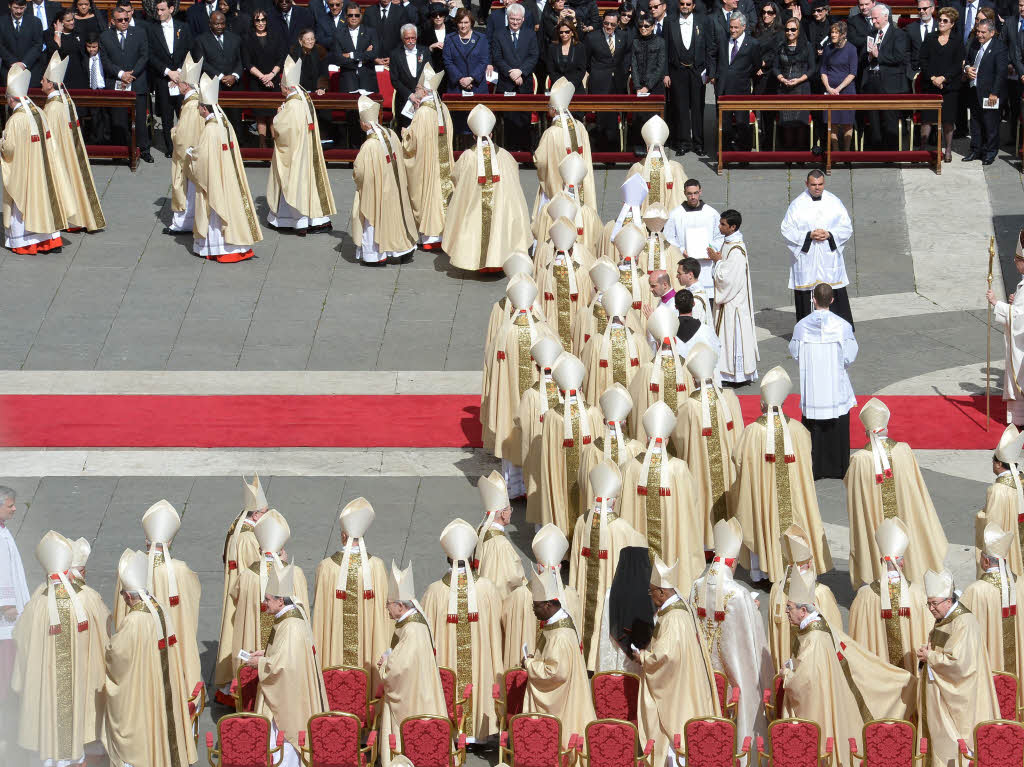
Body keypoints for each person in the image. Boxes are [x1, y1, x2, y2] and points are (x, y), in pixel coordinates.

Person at [782, 567, 915, 765]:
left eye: (789, 607)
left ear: (803, 611)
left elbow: (805, 680)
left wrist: (788, 673)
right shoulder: (816, 624)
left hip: (818, 703)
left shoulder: (815, 638)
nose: (786, 611)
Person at [734, 367, 832, 583]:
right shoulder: (798, 429)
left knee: (762, 521)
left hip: (764, 496)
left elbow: (738, 460)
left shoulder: (753, 432)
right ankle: (797, 568)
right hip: (794, 494)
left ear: (762, 404)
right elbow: (807, 461)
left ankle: (762, 572)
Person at [11, 532, 101, 767]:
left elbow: (20, 637)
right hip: (75, 682)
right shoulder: (83, 602)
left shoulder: (36, 602)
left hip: (43, 684)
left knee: (46, 739)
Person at [109, 500, 202, 726]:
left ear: (146, 541)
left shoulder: (130, 570)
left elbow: (121, 614)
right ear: (169, 542)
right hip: (174, 644)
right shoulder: (182, 571)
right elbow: (191, 609)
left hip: (141, 647)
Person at [103, 549, 192, 767]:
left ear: (129, 596)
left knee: (142, 724)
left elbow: (118, 656)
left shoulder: (134, 621)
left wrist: (107, 648)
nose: (123, 599)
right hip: (163, 684)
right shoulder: (160, 608)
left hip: (142, 687)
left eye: (124, 595)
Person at [845, 398, 948, 588]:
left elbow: (853, 494)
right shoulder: (904, 450)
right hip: (906, 517)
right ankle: (913, 577)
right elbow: (917, 488)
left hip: (876, 522)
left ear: (866, 432)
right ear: (886, 427)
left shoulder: (859, 460)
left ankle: (880, 583)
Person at [690, 519, 773, 744]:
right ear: (734, 563)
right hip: (734, 670)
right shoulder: (738, 594)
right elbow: (752, 642)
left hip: (704, 667)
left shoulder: (696, 586)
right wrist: (753, 612)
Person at [421, 519, 503, 743]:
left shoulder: (435, 591)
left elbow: (426, 634)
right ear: (470, 557)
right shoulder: (486, 588)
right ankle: (478, 733)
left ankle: (454, 732)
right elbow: (498, 628)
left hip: (448, 661)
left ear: (447, 556)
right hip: (481, 658)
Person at [635, 555, 720, 767]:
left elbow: (665, 657)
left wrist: (643, 657)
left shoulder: (673, 618)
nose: (650, 595)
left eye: (652, 591)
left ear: (663, 592)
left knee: (675, 746)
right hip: (686, 683)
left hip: (676, 692)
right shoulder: (683, 607)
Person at [244, 563, 327, 767]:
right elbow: (287, 654)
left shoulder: (290, 625)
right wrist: (266, 653)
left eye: (268, 599)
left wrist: (260, 663)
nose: (264, 603)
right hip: (293, 689)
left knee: (282, 745)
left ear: (281, 601)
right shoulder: (293, 613)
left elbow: (282, 667)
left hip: (287, 699)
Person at [568, 460, 645, 671]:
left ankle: (583, 655)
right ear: (612, 501)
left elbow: (574, 564)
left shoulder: (581, 522)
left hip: (584, 596)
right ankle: (598, 660)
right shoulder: (621, 529)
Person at [919, 569, 999, 767]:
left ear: (948, 600)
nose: (930, 608)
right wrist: (928, 651)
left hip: (961, 696)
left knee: (956, 744)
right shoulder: (945, 618)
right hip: (940, 692)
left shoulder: (964, 622)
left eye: (934, 603)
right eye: (928, 603)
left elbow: (961, 663)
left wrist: (930, 656)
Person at [620, 401, 706, 587]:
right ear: (667, 440)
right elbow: (691, 506)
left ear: (647, 438)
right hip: (670, 541)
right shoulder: (679, 469)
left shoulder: (630, 468)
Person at [442, 104, 531, 271]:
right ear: (491, 134)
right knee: (501, 221)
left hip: (474, 206)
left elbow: (455, 177)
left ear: (474, 137)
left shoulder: (467, 157)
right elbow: (514, 176)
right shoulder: (505, 155)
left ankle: (476, 261)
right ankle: (500, 260)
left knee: (470, 218)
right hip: (502, 206)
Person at [185, 74, 263, 262]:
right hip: (228, 175)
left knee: (215, 211)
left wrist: (191, 154)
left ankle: (219, 248)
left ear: (205, 108)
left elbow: (202, 159)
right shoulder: (224, 122)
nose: (198, 110)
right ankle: (234, 245)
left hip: (215, 179)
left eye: (199, 108)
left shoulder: (211, 129)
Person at [673, 342, 743, 551]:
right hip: (727, 466)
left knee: (702, 491)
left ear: (693, 378)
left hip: (701, 466)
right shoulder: (729, 398)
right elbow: (739, 433)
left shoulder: (688, 407)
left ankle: (706, 543)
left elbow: (679, 440)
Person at [311, 497, 390, 677]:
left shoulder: (326, 567)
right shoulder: (376, 567)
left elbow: (320, 613)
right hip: (368, 650)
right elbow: (386, 613)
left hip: (334, 648)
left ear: (343, 536)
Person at [378, 561, 447, 767]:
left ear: (400, 606)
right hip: (417, 690)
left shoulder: (412, 629)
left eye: (388, 603)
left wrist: (385, 663)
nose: (386, 608)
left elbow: (399, 670)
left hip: (413, 697)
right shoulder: (412, 623)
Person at [789, 282, 858, 480]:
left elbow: (794, 353)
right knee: (837, 425)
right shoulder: (842, 326)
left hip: (812, 388)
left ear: (813, 299)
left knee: (814, 430)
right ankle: (838, 468)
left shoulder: (801, 327)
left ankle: (815, 469)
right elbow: (850, 356)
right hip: (835, 387)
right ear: (833, 300)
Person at [522, 568, 596, 747]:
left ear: (548, 604)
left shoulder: (561, 635)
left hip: (562, 701)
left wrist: (529, 663)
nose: (534, 610)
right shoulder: (556, 622)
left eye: (536, 606)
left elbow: (555, 673)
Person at [847, 518, 932, 673]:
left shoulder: (864, 596)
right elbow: (929, 630)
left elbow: (857, 635)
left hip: (879, 673)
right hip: (912, 669)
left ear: (881, 561)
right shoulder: (918, 593)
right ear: (902, 563)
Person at [1, 64, 68, 255]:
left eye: (8, 100)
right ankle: (49, 240)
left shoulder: (15, 120)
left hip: (24, 171)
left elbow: (10, 149)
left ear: (12, 99)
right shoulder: (38, 110)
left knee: (23, 203)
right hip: (43, 167)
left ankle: (25, 243)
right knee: (43, 200)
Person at [231, 509, 310, 673]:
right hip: (288, 649)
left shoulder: (246, 576)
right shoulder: (295, 574)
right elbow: (303, 610)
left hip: (255, 640)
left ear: (259, 546)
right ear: (282, 547)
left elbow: (235, 597)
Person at [214, 475, 268, 705]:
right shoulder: (248, 538)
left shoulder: (238, 525)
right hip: (247, 595)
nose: (268, 516)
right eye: (265, 512)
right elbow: (254, 572)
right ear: (255, 515)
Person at [267, 55, 336, 235]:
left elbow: (282, 131)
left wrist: (277, 116)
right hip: (306, 149)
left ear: (288, 87)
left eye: (281, 86)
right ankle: (316, 220)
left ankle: (297, 221)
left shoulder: (291, 105)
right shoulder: (304, 97)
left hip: (295, 153)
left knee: (296, 184)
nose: (279, 88)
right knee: (309, 183)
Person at [39, 51, 105, 234]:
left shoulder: (53, 108)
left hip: (60, 153)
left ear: (50, 84)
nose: (40, 82)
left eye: (43, 80)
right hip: (70, 151)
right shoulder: (66, 100)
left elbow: (48, 139)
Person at [540, 353, 604, 535]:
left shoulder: (552, 417)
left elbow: (547, 459)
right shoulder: (593, 413)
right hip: (588, 477)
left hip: (560, 476)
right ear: (581, 387)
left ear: (559, 390)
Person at [780, 170, 854, 326]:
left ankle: (839, 328)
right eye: (813, 185)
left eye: (820, 184)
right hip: (808, 258)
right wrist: (809, 235)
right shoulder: (797, 205)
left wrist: (829, 234)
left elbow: (846, 227)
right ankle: (807, 329)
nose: (817, 188)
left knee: (833, 289)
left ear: (824, 184)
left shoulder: (834, 202)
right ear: (806, 184)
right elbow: (787, 229)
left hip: (828, 256)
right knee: (807, 293)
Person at [351, 95, 418, 264]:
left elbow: (360, 172)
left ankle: (374, 256)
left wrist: (358, 181)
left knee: (373, 219)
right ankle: (403, 250)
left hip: (377, 190)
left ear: (365, 124)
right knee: (396, 218)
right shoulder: (391, 134)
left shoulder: (369, 145)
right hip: (395, 187)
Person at [504, 525, 582, 669]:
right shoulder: (570, 595)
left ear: (538, 567)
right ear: (559, 567)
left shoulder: (519, 595)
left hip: (533, 667)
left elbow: (505, 626)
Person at [768, 524, 843, 667]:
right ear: (810, 564)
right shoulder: (821, 592)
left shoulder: (776, 590)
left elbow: (774, 635)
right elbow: (835, 631)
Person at [961, 522, 1024, 682]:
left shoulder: (976, 590)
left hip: (991, 664)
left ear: (986, 562)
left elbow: (959, 626)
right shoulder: (1021, 584)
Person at [401, 63, 454, 250]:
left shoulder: (423, 112)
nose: (415, 92)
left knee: (425, 194)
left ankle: (429, 238)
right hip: (443, 165)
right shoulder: (443, 108)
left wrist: (405, 133)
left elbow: (412, 144)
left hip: (426, 166)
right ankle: (442, 234)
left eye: (417, 88)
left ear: (424, 91)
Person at [520, 339, 568, 523]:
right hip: (559, 448)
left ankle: (540, 527)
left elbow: (520, 421)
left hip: (537, 446)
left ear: (537, 367)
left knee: (539, 484)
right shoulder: (564, 392)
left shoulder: (530, 395)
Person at [628, 305, 696, 435]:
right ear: (675, 341)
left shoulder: (647, 370)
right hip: (680, 432)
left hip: (653, 432)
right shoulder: (687, 368)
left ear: (658, 344)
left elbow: (635, 400)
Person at [534, 77, 596, 215]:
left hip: (556, 186)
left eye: (549, 107)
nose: (547, 109)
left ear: (554, 110)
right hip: (579, 186)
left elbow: (541, 161)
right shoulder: (580, 127)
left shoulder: (551, 133)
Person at [709, 209, 758, 385]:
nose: (719, 226)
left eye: (723, 224)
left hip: (734, 303)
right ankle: (726, 373)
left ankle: (736, 375)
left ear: (733, 227)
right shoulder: (728, 242)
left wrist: (717, 261)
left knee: (733, 337)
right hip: (729, 301)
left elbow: (730, 279)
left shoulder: (737, 249)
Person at [100, 5, 153, 163]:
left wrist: (132, 74)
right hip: (117, 82)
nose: (124, 22)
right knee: (118, 119)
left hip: (137, 82)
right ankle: (120, 151)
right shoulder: (105, 36)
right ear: (113, 21)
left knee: (140, 118)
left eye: (126, 19)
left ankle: (144, 149)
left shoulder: (139, 33)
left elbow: (144, 56)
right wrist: (121, 74)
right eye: (120, 20)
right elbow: (105, 60)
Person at [581, 283, 651, 401]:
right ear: (626, 317)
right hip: (632, 400)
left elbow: (585, 367)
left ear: (607, 317)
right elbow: (647, 371)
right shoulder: (639, 340)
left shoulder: (595, 341)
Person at [580, 384, 646, 506]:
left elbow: (584, 486)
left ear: (604, 421)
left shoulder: (590, 451)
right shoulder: (637, 449)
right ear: (625, 422)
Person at [0, 486, 28, 752]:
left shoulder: (3, 530)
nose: (14, 508)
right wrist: (8, 605)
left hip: (10, 621)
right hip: (5, 626)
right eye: (10, 504)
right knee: (6, 679)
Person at [666, 0, 713, 155]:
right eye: (682, 3)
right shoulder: (669, 21)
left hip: (697, 70)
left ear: (693, 6)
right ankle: (683, 143)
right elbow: (665, 48)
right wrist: (666, 73)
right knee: (680, 107)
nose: (685, 6)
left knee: (698, 107)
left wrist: (709, 71)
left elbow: (708, 47)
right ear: (678, 5)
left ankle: (698, 143)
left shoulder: (703, 21)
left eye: (688, 4)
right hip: (677, 71)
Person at [976, 425, 1024, 576]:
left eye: (992, 462)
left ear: (998, 464)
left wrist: (980, 515)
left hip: (1007, 542)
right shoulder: (1021, 479)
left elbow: (992, 522)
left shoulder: (997, 490)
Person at [665, 179, 721, 305]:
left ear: (700, 192)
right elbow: (669, 238)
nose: (693, 197)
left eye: (695, 193)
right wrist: (680, 250)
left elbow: (719, 236)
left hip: (707, 266)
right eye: (689, 194)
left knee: (708, 302)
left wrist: (712, 250)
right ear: (684, 193)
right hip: (686, 264)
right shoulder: (675, 214)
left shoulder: (711, 213)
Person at [860, 3, 909, 150]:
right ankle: (876, 151)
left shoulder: (898, 34)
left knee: (890, 119)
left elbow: (899, 58)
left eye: (875, 18)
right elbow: (864, 56)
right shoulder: (872, 34)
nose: (873, 21)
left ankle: (891, 153)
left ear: (885, 16)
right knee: (873, 118)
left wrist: (878, 55)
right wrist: (869, 57)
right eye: (872, 18)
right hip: (872, 80)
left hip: (890, 83)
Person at [918, 6, 963, 163]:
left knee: (948, 120)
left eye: (945, 21)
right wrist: (933, 78)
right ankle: (922, 149)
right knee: (927, 119)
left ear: (952, 24)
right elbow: (922, 60)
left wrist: (944, 78)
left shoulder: (957, 41)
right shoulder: (930, 38)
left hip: (949, 87)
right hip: (930, 86)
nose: (941, 23)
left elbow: (958, 65)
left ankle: (948, 149)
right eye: (940, 20)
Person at [166, 53, 204, 234]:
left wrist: (174, 132)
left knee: (185, 187)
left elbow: (183, 138)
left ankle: (183, 224)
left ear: (186, 85)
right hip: (197, 153)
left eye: (179, 81)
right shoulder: (193, 100)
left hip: (188, 156)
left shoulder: (190, 105)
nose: (176, 83)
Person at [713, 11, 762, 150]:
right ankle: (726, 154)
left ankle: (744, 154)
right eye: (731, 27)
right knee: (725, 125)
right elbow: (715, 57)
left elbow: (756, 64)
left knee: (742, 123)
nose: (733, 30)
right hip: (724, 89)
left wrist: (744, 74)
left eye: (736, 28)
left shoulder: (752, 43)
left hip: (742, 89)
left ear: (744, 27)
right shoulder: (723, 39)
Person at [475, 471, 527, 599]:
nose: (511, 513)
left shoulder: (480, 530)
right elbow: (512, 577)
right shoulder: (501, 544)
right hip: (497, 597)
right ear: (503, 514)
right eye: (510, 510)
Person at [584, 9, 629, 150]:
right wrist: (597, 74)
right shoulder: (592, 37)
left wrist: (622, 72)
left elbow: (626, 56)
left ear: (618, 24)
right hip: (599, 82)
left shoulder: (624, 36)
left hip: (618, 82)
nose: (609, 27)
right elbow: (586, 61)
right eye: (606, 23)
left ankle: (613, 150)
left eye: (613, 25)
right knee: (602, 117)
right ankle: (601, 149)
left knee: (614, 116)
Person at [963, 17, 1005, 165]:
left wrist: (995, 93)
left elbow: (1001, 73)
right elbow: (967, 60)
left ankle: (990, 152)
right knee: (975, 122)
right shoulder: (975, 43)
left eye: (983, 32)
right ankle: (975, 150)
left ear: (992, 33)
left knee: (990, 124)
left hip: (989, 93)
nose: (979, 35)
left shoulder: (999, 47)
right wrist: (967, 69)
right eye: (978, 32)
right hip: (974, 89)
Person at [242, 10, 287, 147]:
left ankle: (275, 144)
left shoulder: (276, 37)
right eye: (257, 20)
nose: (260, 23)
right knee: (260, 114)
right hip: (257, 80)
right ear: (253, 22)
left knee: (274, 113)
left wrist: (271, 76)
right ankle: (262, 144)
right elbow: (247, 63)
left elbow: (281, 59)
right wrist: (262, 77)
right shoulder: (247, 38)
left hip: (273, 79)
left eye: (263, 20)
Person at [629, 116, 687, 212]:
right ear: (663, 148)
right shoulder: (675, 168)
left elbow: (630, 200)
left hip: (643, 221)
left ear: (647, 149)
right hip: (668, 220)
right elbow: (680, 198)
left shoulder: (637, 168)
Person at [629, 12, 667, 155]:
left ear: (653, 26)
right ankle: (640, 146)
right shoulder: (635, 42)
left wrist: (648, 86)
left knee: (654, 119)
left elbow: (660, 66)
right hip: (640, 87)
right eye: (640, 26)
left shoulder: (660, 42)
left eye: (646, 26)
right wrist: (638, 86)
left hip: (655, 86)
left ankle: (656, 147)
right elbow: (634, 65)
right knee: (639, 118)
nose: (643, 28)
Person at [773, 18, 812, 146]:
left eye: (793, 29)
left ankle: (800, 156)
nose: (790, 32)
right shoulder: (780, 46)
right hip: (784, 89)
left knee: (800, 123)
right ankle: (789, 155)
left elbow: (813, 68)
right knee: (787, 123)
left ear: (799, 31)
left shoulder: (807, 46)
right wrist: (782, 79)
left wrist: (799, 80)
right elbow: (776, 67)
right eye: (787, 29)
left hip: (802, 89)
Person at [820, 20, 858, 150]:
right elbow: (823, 70)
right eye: (832, 32)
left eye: (836, 32)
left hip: (847, 90)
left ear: (843, 34)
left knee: (847, 123)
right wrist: (828, 88)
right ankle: (835, 152)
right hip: (830, 91)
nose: (833, 35)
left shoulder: (851, 49)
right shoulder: (828, 49)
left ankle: (846, 152)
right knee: (833, 122)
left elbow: (852, 72)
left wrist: (838, 88)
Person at [443, 9, 489, 103]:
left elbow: (483, 61)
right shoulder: (449, 38)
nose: (463, 26)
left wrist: (471, 78)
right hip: (456, 87)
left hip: (477, 86)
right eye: (460, 22)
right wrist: (461, 79)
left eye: (466, 22)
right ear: (456, 23)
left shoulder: (481, 38)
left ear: (471, 23)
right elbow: (448, 61)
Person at [332, 3, 379, 95]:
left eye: (357, 15)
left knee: (369, 108)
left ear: (360, 16)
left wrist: (351, 55)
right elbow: (338, 59)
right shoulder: (338, 34)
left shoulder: (371, 32)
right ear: (346, 16)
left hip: (368, 79)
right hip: (348, 80)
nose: (354, 18)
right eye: (350, 15)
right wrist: (364, 56)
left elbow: (374, 54)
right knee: (350, 109)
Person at [390, 23, 428, 127]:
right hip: (404, 100)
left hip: (422, 98)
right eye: (407, 38)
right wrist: (410, 95)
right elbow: (395, 80)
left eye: (413, 38)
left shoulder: (424, 51)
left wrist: (421, 91)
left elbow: (429, 73)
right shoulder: (395, 54)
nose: (411, 41)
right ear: (402, 38)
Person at [0, 0, 43, 88]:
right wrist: (12, 62)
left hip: (30, 69)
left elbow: (38, 45)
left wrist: (24, 63)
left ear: (26, 6)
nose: (19, 11)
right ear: (9, 6)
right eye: (16, 8)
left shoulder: (35, 22)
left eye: (21, 8)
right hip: (8, 69)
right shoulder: (1, 22)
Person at [364, 0, 408, 64]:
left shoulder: (401, 11)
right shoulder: (369, 11)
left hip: (394, 59)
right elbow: (365, 36)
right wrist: (373, 57)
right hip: (373, 59)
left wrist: (394, 57)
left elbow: (403, 37)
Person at [546, 18, 586, 88]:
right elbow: (551, 69)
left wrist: (570, 84)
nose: (564, 34)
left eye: (567, 32)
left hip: (575, 87)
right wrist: (561, 83)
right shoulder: (552, 47)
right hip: (557, 86)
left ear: (572, 32)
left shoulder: (580, 47)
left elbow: (581, 70)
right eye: (561, 32)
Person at [675, 257, 712, 325]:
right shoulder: (692, 291)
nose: (677, 276)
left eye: (679, 273)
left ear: (690, 275)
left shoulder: (696, 299)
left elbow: (692, 326)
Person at [421, 3, 452, 73]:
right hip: (434, 67)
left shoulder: (452, 30)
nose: (438, 17)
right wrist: (431, 47)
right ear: (431, 17)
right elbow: (421, 51)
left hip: (450, 67)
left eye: (440, 15)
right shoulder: (426, 32)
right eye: (435, 15)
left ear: (444, 16)